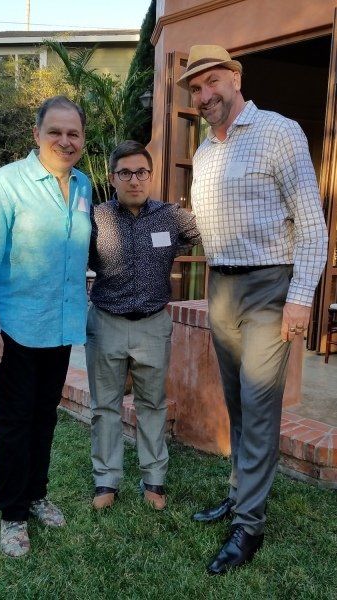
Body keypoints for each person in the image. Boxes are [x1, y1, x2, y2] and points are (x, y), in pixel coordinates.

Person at [178, 45, 328, 574]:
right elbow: (210, 223)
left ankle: (250, 526)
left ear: (235, 79)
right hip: (223, 286)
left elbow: (312, 225)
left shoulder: (280, 132)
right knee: (238, 406)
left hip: (270, 286)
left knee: (260, 407)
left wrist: (300, 299)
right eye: (195, 88)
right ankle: (240, 493)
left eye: (212, 81)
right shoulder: (204, 153)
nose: (204, 94)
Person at [0, 96, 92, 558]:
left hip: (58, 327)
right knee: (14, 423)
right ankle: (12, 515)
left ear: (82, 140)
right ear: (36, 135)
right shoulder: (6, 185)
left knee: (45, 417)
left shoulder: (83, 187)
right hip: (14, 329)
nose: (64, 140)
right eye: (55, 131)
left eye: (73, 133)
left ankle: (36, 494)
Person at [86, 140, 201, 511]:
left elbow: (212, 229)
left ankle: (154, 478)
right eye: (125, 173)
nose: (134, 180)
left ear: (150, 176)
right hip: (106, 323)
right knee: (106, 406)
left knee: (153, 404)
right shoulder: (96, 218)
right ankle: (106, 479)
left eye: (141, 172)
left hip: (153, 325)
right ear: (112, 177)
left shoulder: (170, 216)